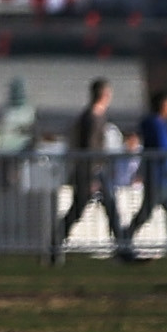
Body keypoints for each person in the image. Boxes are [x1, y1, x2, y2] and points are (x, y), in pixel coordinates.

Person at [54, 79, 127, 261]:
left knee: (110, 208)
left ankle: (122, 247)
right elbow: (89, 148)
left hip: (96, 170)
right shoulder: (91, 117)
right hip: (91, 172)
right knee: (78, 210)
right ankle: (54, 245)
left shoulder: (96, 116)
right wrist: (91, 176)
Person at [121, 91, 167, 264]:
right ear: (163, 105)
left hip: (163, 177)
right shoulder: (154, 124)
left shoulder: (159, 124)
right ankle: (122, 244)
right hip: (159, 177)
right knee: (147, 213)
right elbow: (163, 150)